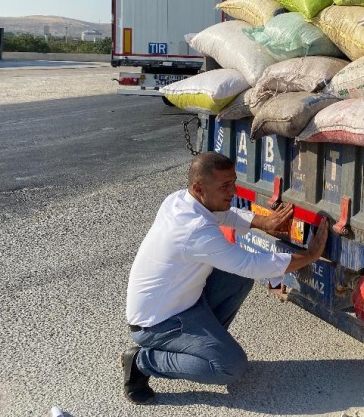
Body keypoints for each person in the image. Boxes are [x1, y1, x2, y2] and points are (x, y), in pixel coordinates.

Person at [122, 152, 328, 405]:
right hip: (157, 324)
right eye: (224, 186)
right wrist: (309, 255)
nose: (233, 191)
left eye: (234, 182)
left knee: (236, 278)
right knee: (230, 367)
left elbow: (223, 214)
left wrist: (263, 222)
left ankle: (205, 345)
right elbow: (252, 265)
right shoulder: (194, 231)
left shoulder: (180, 200)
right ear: (199, 188)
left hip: (181, 304)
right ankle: (143, 362)